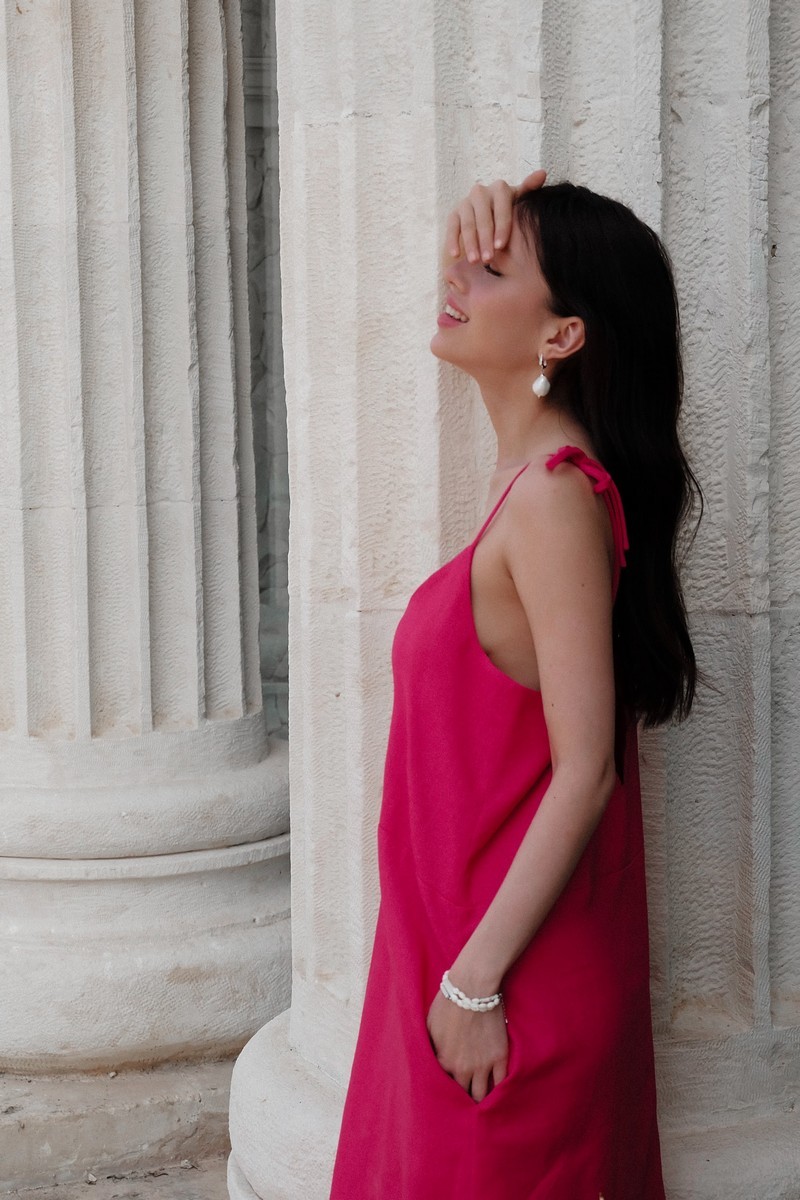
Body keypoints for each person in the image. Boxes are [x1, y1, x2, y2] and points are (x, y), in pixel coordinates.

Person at [328, 169, 701, 1199]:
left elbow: (585, 771)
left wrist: (471, 986)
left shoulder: (552, 498)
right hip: (459, 964)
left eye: (491, 272)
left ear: (562, 336)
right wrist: (477, 226)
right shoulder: (524, 488)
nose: (455, 277)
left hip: (503, 989)